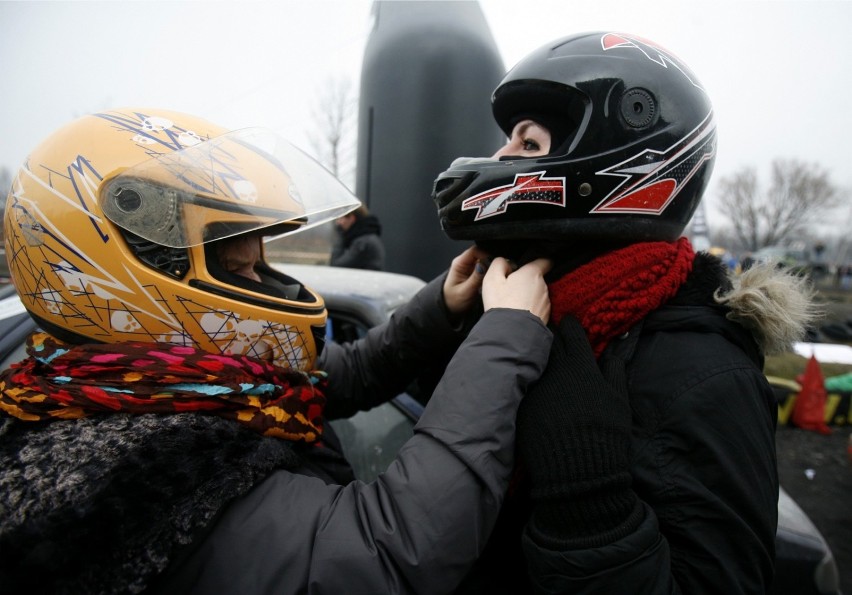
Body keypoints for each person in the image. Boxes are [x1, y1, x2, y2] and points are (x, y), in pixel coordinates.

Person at [0, 108, 554, 594]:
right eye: (240, 268)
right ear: (122, 278)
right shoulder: (117, 484)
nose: (264, 283)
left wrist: (442, 306)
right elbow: (390, 550)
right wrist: (503, 339)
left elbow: (350, 372)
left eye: (260, 263)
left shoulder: (202, 380)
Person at [432, 32, 817, 593]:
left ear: (619, 168)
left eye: (529, 144)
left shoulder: (706, 375)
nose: (499, 160)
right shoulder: (530, 312)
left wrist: (587, 503)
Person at [330, 204, 385, 270]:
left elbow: (337, 265)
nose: (338, 222)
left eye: (341, 218)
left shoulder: (362, 242)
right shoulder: (365, 237)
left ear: (352, 218)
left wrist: (340, 236)